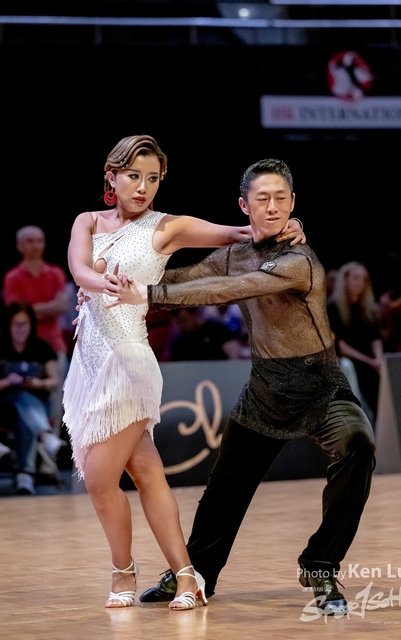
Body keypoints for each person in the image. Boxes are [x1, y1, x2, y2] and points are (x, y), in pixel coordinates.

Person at [104, 158, 376, 616]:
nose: (272, 207)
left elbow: (225, 291)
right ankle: (197, 572)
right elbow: (186, 277)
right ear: (243, 205)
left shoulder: (299, 260)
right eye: (262, 198)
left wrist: (148, 296)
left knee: (358, 445)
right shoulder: (234, 253)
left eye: (281, 198)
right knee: (225, 488)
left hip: (320, 386)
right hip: (265, 389)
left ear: (293, 203)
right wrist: (115, 283)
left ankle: (320, 564)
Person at [65, 136, 304, 610]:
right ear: (111, 176)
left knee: (98, 478)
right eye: (134, 176)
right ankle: (188, 577)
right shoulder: (86, 221)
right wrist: (100, 281)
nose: (143, 187)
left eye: (153, 179)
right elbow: (78, 270)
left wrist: (284, 224)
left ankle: (122, 572)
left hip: (128, 364)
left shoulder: (166, 227)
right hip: (87, 364)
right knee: (148, 473)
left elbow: (238, 233)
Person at [3, 226, 69, 433]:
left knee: (57, 395)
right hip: (23, 347)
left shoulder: (55, 274)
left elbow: (62, 306)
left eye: (39, 240)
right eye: (30, 241)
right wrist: (47, 308)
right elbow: (15, 313)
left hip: (53, 344)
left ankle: (52, 442)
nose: (35, 246)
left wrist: (29, 309)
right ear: (19, 246)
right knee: (22, 395)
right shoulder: (13, 277)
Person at [0, 302, 66, 495]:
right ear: (9, 325)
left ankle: (25, 474)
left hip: (37, 404)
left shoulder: (42, 347)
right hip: (4, 407)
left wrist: (37, 383)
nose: (21, 329)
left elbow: (55, 381)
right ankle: (44, 440)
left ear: (31, 325)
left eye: (25, 324)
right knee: (19, 396)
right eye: (16, 324)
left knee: (24, 406)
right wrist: (7, 381)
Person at [327, 262, 383, 422]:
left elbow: (375, 338)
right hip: (350, 361)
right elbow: (340, 346)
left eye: (364, 279)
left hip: (370, 361)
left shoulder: (369, 310)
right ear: (345, 280)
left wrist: (378, 358)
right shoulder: (332, 309)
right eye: (356, 278)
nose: (360, 283)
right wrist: (369, 361)